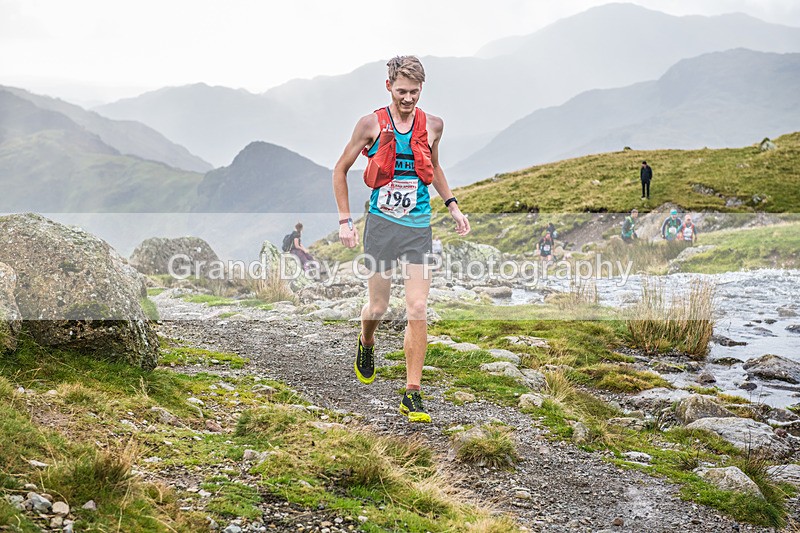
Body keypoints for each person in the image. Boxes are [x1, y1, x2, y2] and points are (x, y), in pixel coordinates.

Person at [332, 56, 470, 423]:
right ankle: (366, 341)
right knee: (377, 309)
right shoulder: (370, 124)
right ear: (389, 86)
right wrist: (346, 221)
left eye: (414, 92)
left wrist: (453, 206)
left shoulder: (434, 125)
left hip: (417, 227)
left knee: (417, 307)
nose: (408, 98)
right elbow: (340, 169)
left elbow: (434, 167)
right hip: (380, 226)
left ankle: (412, 393)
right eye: (401, 91)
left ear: (422, 88)